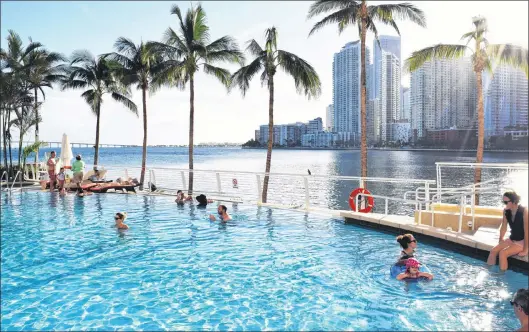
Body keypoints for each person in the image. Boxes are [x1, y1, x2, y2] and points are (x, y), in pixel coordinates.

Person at [487, 191, 528, 271]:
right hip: (512, 239)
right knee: (493, 250)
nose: (504, 204)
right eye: (503, 202)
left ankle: (501, 277)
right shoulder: (506, 211)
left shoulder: (524, 211)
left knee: (503, 253)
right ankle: (489, 272)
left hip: (522, 241)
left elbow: (527, 231)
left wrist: (526, 250)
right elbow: (504, 226)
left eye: (506, 202)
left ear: (514, 201)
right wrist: (501, 239)